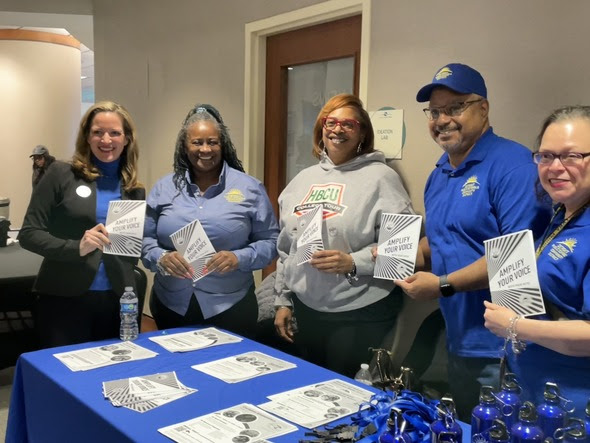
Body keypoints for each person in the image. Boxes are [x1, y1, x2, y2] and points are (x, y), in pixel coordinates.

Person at [395, 63, 550, 419]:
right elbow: (446, 241)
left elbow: (516, 258)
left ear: (483, 108)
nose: (442, 119)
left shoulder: (513, 165)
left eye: (455, 107)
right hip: (459, 339)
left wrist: (442, 285)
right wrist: (397, 255)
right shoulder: (441, 173)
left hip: (504, 348)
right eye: (434, 112)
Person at [273, 93, 414, 378]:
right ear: (321, 129)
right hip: (308, 307)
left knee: (343, 395)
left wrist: (353, 262)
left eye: (348, 124)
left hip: (359, 311)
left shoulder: (382, 178)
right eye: (331, 122)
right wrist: (283, 299)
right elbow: (287, 247)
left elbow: (402, 253)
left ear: (362, 132)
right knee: (309, 387)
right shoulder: (302, 181)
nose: (337, 129)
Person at [484, 105, 590, 415]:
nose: (555, 167)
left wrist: (515, 326)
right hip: (539, 392)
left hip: (575, 407)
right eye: (545, 156)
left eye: (572, 156)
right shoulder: (563, 212)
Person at [142, 104, 279, 339]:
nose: (205, 149)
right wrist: (161, 258)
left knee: (229, 372)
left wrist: (239, 258)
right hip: (171, 304)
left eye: (212, 142)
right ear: (184, 146)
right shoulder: (163, 188)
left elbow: (271, 241)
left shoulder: (249, 188)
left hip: (230, 306)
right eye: (197, 142)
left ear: (222, 145)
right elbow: (145, 240)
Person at [19, 101, 145, 348]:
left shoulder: (133, 188)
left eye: (115, 133)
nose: (106, 140)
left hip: (117, 300)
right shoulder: (60, 173)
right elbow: (29, 233)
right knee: (66, 377)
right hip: (64, 298)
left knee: (114, 374)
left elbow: (130, 249)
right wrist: (77, 247)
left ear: (127, 138)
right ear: (87, 137)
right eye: (97, 132)